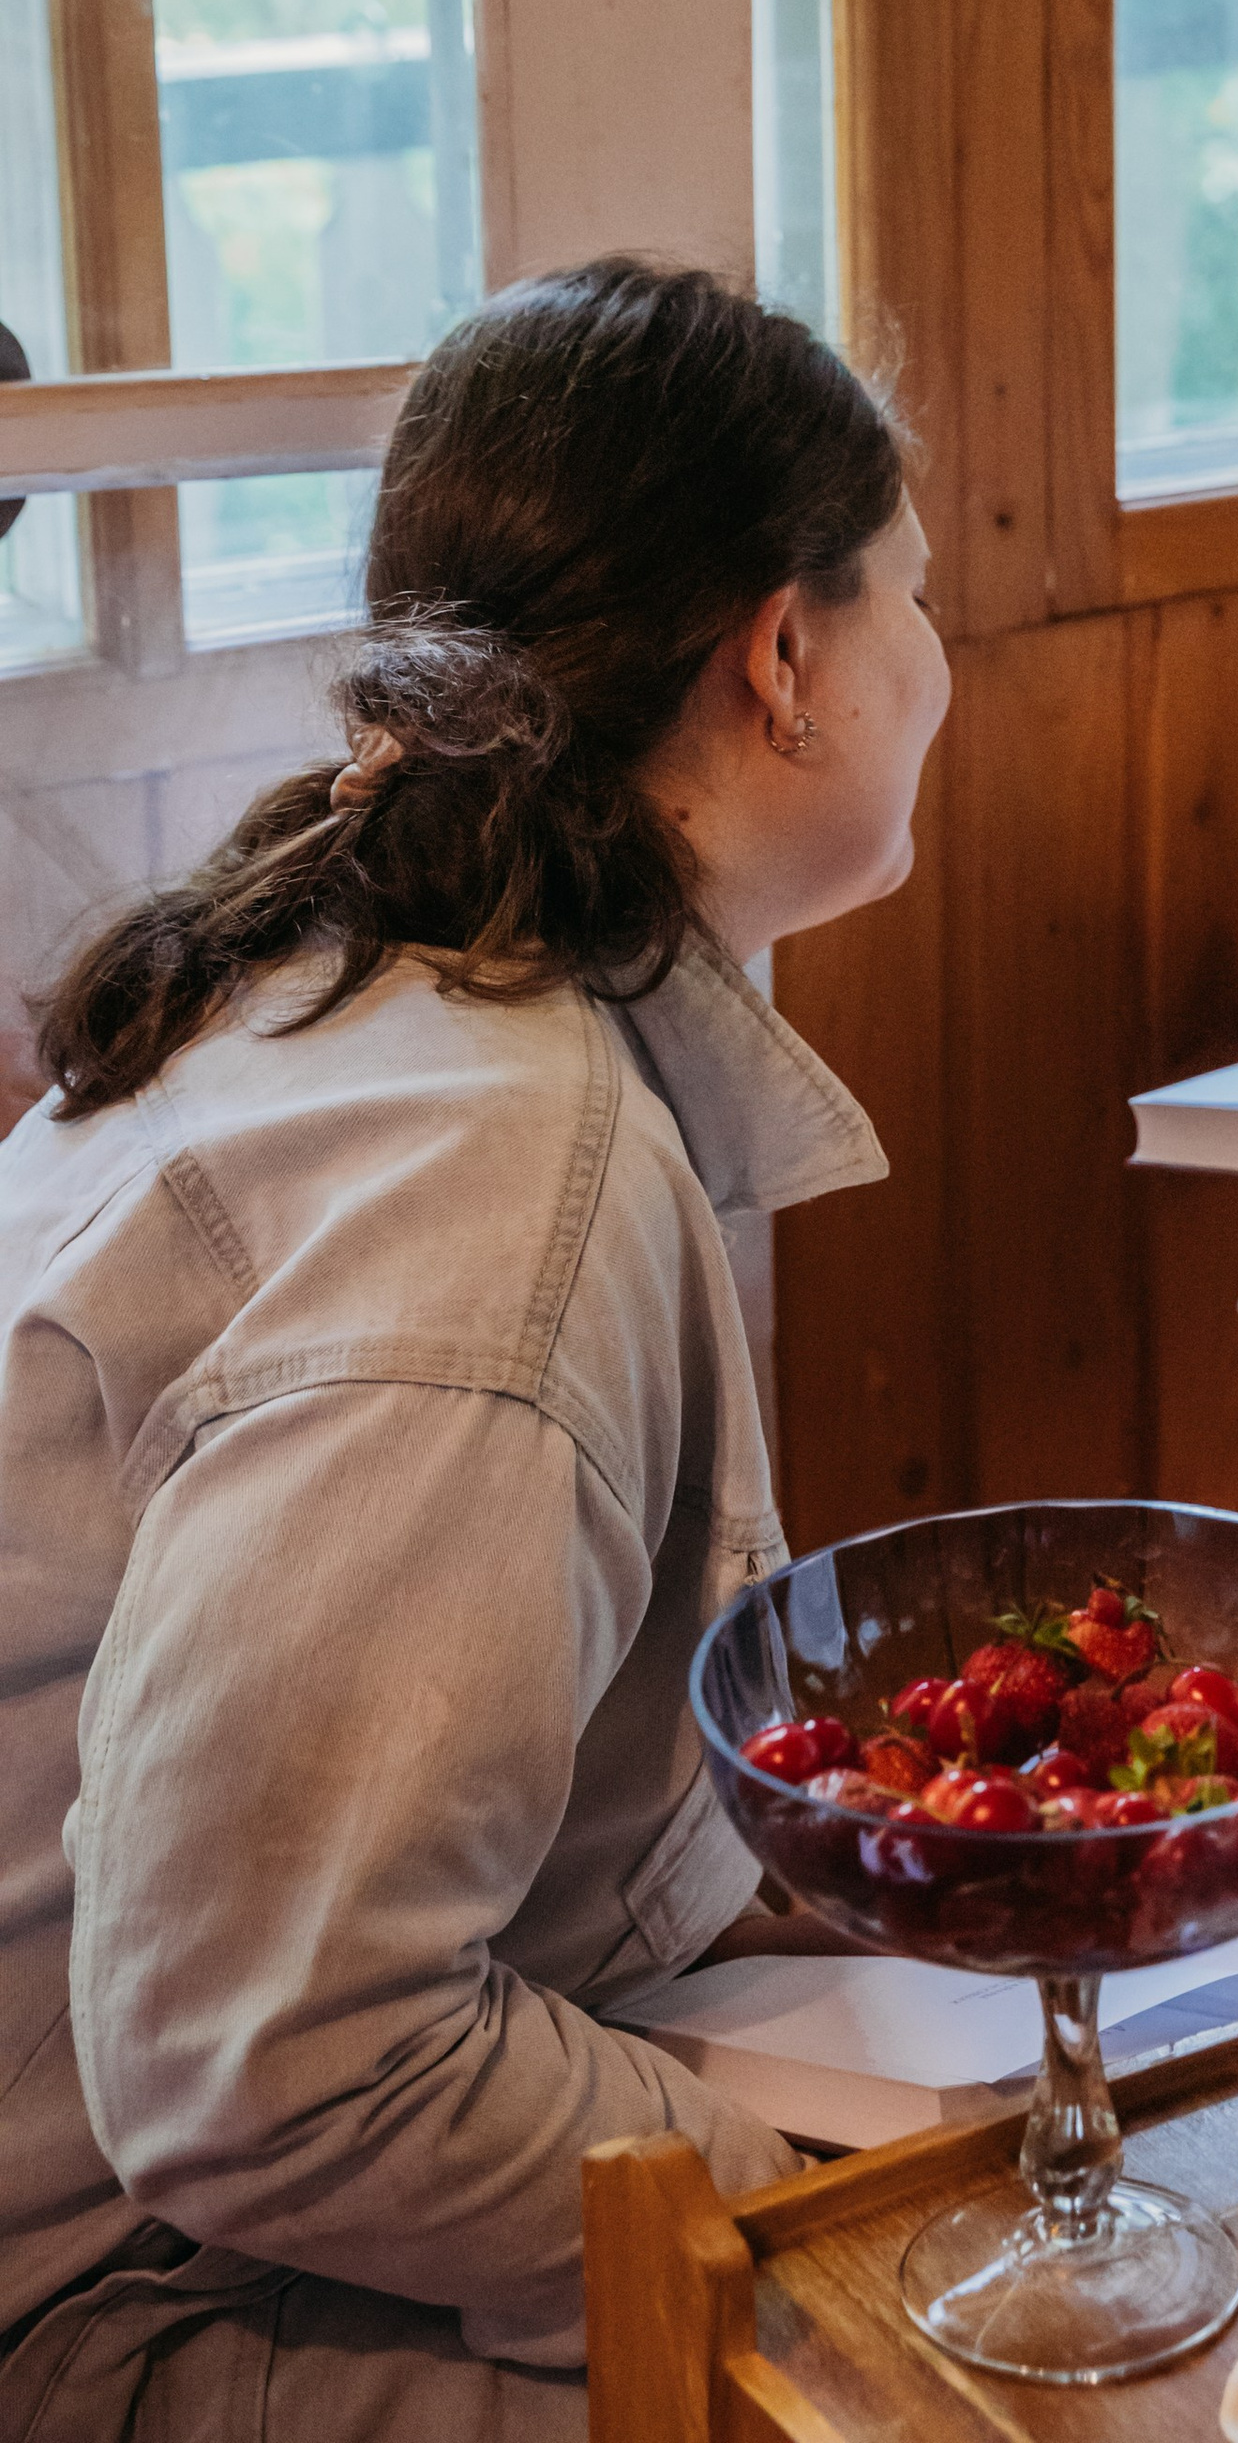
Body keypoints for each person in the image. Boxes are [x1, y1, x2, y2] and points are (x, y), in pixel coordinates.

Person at [0, 259, 949, 2439]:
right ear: (785, 660)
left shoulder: (366, 965)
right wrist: (809, 2232)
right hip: (102, 2291)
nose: (935, 659)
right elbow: (276, 2061)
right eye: (907, 594)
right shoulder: (496, 1197)